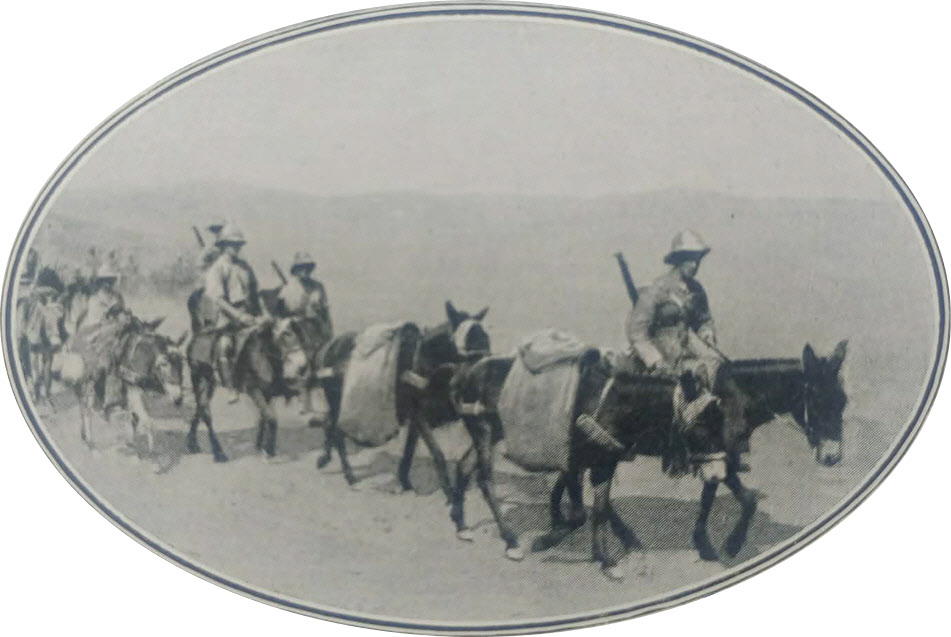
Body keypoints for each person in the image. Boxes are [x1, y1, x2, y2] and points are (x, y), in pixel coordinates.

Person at [624, 230, 723, 426]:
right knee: (689, 376)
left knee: (715, 364)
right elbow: (637, 331)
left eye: (697, 260)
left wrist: (706, 333)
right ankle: (687, 419)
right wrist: (654, 360)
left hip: (688, 350)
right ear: (677, 260)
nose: (694, 265)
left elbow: (704, 319)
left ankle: (707, 416)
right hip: (661, 353)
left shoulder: (696, 290)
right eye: (688, 259)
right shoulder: (657, 289)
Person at [203, 224, 263, 403]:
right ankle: (231, 387)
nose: (236, 248)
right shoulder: (217, 268)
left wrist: (259, 314)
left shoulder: (245, 267)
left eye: (238, 245)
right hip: (228, 318)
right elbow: (219, 300)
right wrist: (238, 316)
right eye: (232, 244)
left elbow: (254, 293)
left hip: (249, 315)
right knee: (225, 346)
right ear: (223, 246)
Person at [275, 251, 333, 414]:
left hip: (316, 329)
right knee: (301, 362)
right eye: (301, 268)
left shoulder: (318, 287)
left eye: (307, 268)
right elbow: (279, 313)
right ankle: (304, 401)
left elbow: (325, 312)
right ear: (296, 269)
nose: (305, 271)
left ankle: (323, 402)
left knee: (324, 362)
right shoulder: (288, 289)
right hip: (295, 329)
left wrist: (328, 331)